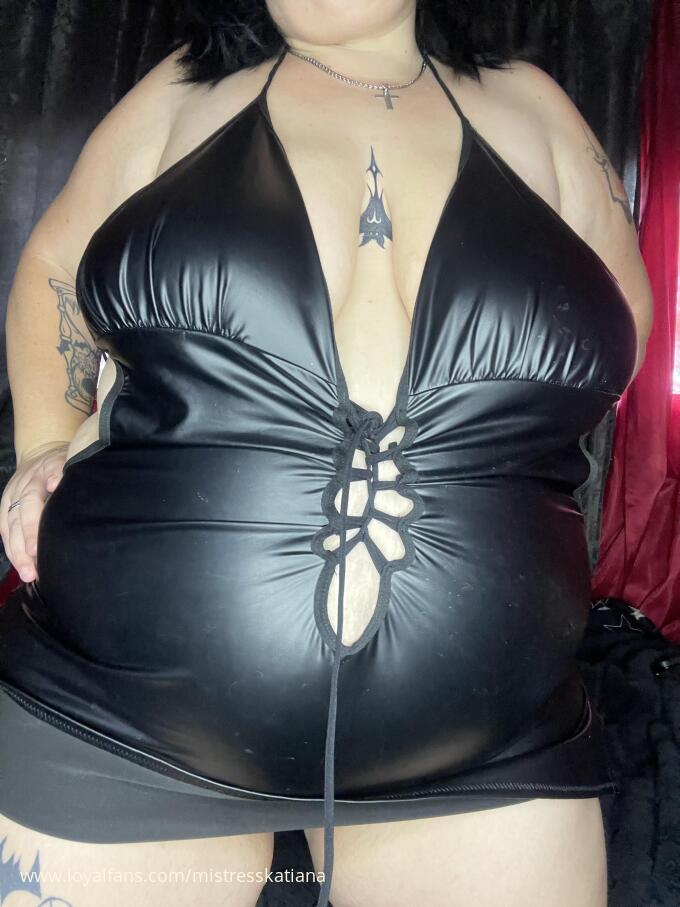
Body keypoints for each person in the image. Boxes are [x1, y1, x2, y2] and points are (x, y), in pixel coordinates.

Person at [0, 1, 653, 906]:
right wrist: (43, 436)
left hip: (485, 748)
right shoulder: (185, 94)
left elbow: (621, 328)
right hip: (115, 727)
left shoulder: (534, 110)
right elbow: (53, 267)